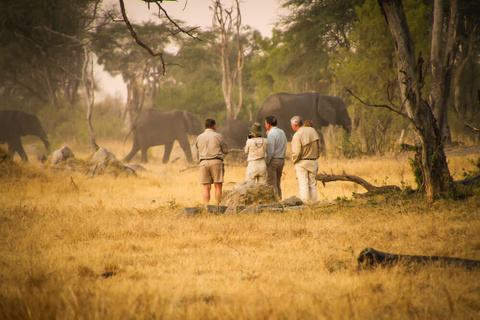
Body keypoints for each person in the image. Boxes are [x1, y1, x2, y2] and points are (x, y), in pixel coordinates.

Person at [194, 118, 229, 204]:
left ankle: (206, 206)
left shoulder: (199, 137)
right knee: (218, 186)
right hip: (216, 162)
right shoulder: (218, 136)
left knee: (206, 187)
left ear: (205, 126)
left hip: (203, 163)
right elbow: (225, 150)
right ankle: (218, 206)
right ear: (214, 126)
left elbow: (196, 151)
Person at [290, 115, 321, 201]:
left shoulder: (297, 134)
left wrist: (294, 161)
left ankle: (306, 204)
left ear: (294, 125)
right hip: (313, 161)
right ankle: (314, 203)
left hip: (302, 162)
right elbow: (319, 147)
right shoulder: (313, 130)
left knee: (303, 184)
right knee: (313, 184)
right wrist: (316, 156)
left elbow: (297, 152)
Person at [264, 115, 287, 199]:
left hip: (273, 161)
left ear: (268, 125)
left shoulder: (271, 134)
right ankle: (280, 200)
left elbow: (271, 150)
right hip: (281, 160)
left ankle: (274, 202)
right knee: (277, 183)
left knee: (271, 184)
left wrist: (267, 161)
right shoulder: (282, 132)